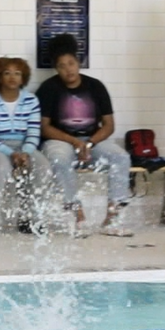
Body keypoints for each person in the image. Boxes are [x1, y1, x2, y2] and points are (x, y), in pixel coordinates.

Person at [36, 33, 130, 234]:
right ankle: (76, 215)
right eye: (62, 66)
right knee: (59, 159)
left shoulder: (95, 86)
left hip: (92, 141)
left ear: (78, 63)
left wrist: (88, 144)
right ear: (56, 69)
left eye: (71, 63)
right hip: (59, 140)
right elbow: (44, 127)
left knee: (120, 157)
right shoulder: (48, 89)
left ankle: (112, 219)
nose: (68, 69)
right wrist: (74, 142)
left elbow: (109, 125)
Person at [0, 57, 51, 235]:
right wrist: (11, 153)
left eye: (17, 73)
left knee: (43, 168)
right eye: (7, 73)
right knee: (2, 167)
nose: (12, 77)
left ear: (23, 78)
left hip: (25, 147)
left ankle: (31, 217)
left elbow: (33, 133)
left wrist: (25, 152)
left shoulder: (31, 100)